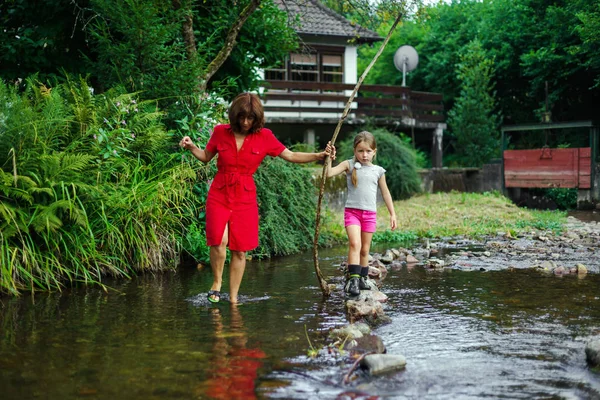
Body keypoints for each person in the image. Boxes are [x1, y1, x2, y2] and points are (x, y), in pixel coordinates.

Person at [179, 92, 333, 304]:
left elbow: (290, 155)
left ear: (257, 118)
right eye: (241, 117)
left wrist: (318, 156)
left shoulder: (265, 136)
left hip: (245, 196)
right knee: (218, 240)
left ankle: (233, 299)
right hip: (219, 191)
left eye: (250, 118)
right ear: (234, 115)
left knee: (240, 250)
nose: (245, 122)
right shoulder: (220, 132)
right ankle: (216, 283)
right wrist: (191, 147)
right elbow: (206, 157)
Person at [326, 131, 397, 296]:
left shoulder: (378, 171)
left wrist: (392, 214)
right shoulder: (349, 165)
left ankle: (363, 278)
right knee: (355, 245)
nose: (364, 155)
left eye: (368, 151)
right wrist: (329, 157)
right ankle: (353, 280)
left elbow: (385, 193)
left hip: (370, 215)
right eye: (360, 151)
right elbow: (329, 173)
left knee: (365, 249)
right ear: (354, 151)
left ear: (374, 152)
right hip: (352, 213)